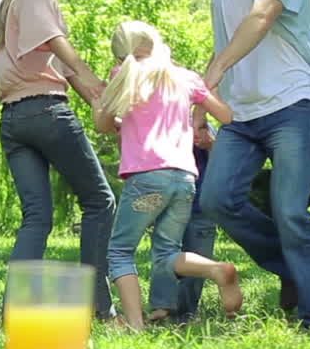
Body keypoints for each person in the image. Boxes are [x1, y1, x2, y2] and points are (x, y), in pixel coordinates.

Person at [191, 0, 310, 328]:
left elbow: (262, 16)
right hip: (241, 114)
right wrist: (204, 104)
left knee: (290, 211)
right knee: (218, 199)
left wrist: (215, 72)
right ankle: (294, 270)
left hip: (292, 103)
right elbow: (225, 43)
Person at [0, 0, 117, 320]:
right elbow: (55, 46)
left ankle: (13, 310)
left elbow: (60, 65)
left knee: (37, 216)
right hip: (44, 112)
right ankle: (98, 307)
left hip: (14, 120)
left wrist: (99, 101)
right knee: (100, 201)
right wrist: (90, 73)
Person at [93, 21, 242, 332]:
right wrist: (204, 93)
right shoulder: (186, 78)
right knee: (167, 252)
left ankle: (135, 325)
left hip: (146, 178)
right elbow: (226, 116)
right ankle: (216, 270)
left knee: (120, 251)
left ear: (121, 54)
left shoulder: (125, 74)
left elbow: (103, 124)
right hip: (185, 177)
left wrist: (112, 113)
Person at [147, 143, 217, 324]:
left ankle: (185, 314)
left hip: (200, 208)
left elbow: (222, 163)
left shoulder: (202, 128)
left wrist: (208, 142)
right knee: (165, 255)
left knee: (198, 260)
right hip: (169, 206)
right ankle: (162, 308)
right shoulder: (160, 128)